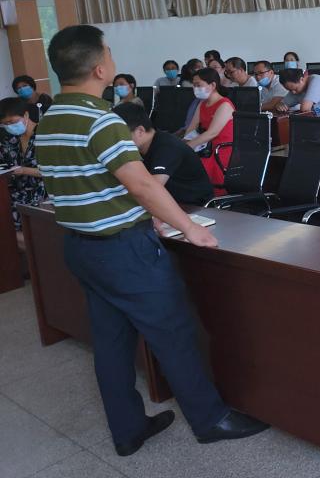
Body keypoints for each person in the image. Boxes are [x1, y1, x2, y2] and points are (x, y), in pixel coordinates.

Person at [35, 25, 266, 457]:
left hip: (82, 247)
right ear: (100, 67)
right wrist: (189, 227)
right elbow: (141, 184)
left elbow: (90, 182)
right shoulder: (100, 119)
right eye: (108, 52)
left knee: (111, 342)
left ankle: (127, 429)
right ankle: (210, 419)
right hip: (123, 249)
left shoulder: (50, 119)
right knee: (173, 331)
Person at [114, 103, 214, 205]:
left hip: (196, 206)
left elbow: (150, 191)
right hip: (171, 204)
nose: (116, 141)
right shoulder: (141, 148)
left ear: (140, 131)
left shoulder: (167, 147)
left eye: (119, 135)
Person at [184, 68, 235, 188]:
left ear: (212, 85)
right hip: (204, 147)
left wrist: (187, 147)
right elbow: (192, 128)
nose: (195, 88)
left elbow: (212, 133)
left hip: (220, 150)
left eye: (198, 85)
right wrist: (183, 143)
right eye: (194, 85)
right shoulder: (202, 104)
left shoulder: (225, 104)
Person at [0, 97, 45, 231]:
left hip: (43, 194)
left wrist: (24, 170)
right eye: (4, 124)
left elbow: (56, 169)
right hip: (16, 194)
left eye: (11, 122)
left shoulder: (45, 135)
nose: (9, 126)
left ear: (25, 115)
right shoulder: (9, 140)